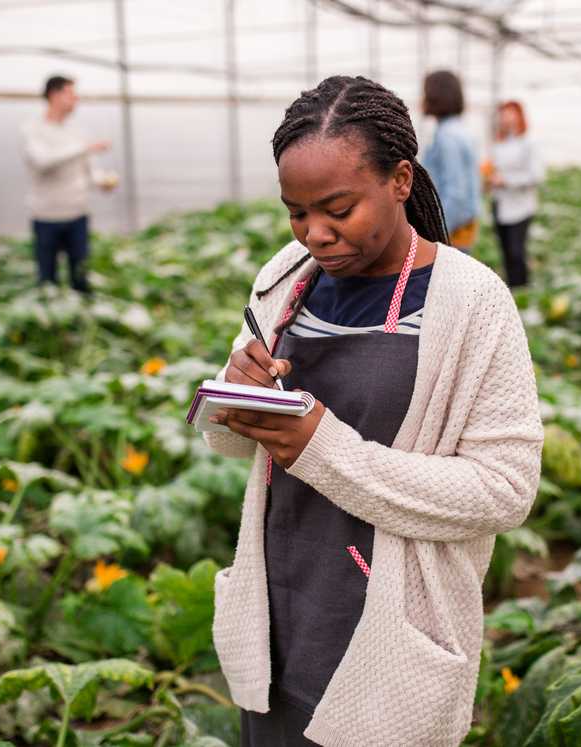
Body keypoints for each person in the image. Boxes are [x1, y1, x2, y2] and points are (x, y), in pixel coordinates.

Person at [203, 75, 543, 747]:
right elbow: (236, 447)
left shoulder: (472, 302)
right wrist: (234, 389)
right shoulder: (286, 279)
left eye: (337, 208)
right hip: (280, 608)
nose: (315, 233)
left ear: (400, 179)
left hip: (389, 628)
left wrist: (320, 447)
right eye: (296, 212)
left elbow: (505, 491)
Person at [20, 75, 117, 293]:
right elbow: (42, 161)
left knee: (80, 276)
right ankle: (52, 320)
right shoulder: (33, 129)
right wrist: (85, 148)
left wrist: (102, 181)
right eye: (71, 95)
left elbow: (89, 169)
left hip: (77, 214)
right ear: (54, 95)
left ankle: (80, 319)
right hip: (46, 216)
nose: (76, 100)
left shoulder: (77, 131)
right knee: (47, 280)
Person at [421, 70, 481, 252]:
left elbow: (456, 193)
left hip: (453, 230)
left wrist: (436, 232)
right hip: (463, 226)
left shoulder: (447, 137)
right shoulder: (459, 131)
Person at [487, 100, 541, 288]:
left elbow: (536, 175)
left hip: (521, 207)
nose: (506, 117)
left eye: (510, 113)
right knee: (506, 254)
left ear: (519, 116)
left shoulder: (529, 141)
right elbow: (493, 169)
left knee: (517, 253)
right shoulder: (499, 143)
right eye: (503, 114)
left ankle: (523, 291)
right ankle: (512, 292)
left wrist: (507, 181)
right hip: (500, 204)